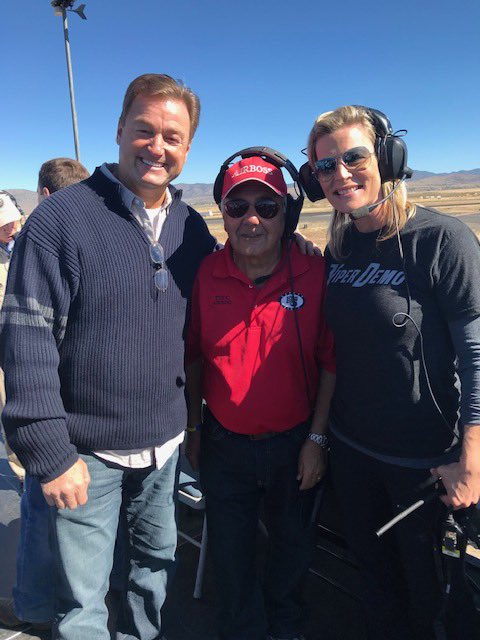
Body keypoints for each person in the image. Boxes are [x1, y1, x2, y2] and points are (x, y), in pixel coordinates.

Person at [0, 74, 217, 640]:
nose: (157, 147)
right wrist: (49, 451)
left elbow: (225, 294)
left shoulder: (192, 229)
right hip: (85, 452)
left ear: (188, 147)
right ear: (120, 130)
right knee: (82, 601)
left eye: (173, 137)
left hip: (164, 448)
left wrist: (293, 248)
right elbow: (26, 339)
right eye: (144, 130)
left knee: (153, 574)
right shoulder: (61, 220)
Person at [302, 105, 480, 639]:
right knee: (375, 585)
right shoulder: (338, 249)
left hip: (424, 464)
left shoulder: (442, 239)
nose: (340, 174)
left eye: (353, 157)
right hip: (353, 452)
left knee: (430, 598)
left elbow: (477, 355)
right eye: (325, 166)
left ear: (388, 158)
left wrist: (471, 460)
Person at [185, 151, 336, 640]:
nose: (251, 219)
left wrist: (317, 439)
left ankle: (286, 626)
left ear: (287, 215)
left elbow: (331, 363)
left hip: (295, 444)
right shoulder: (206, 273)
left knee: (293, 548)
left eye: (267, 207)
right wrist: (193, 427)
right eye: (238, 206)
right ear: (223, 213)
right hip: (223, 446)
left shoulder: (315, 271)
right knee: (231, 556)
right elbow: (193, 357)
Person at [0, 158, 89, 632]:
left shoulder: (43, 240)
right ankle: (38, 605)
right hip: (66, 404)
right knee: (48, 506)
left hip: (56, 403)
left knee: (42, 506)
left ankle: (35, 606)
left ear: (45, 195)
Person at [0, 191, 25, 482]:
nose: (10, 227)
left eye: (12, 220)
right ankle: (22, 474)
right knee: (11, 410)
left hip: (34, 340)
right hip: (3, 348)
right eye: (3, 223)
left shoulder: (27, 244)